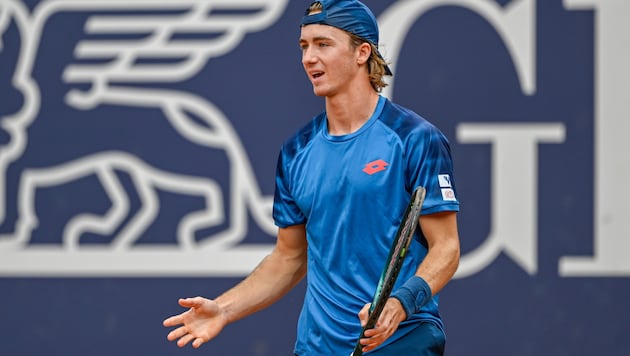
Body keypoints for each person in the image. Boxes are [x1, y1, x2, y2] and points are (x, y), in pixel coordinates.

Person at [162, 0, 461, 354]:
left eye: (323, 44)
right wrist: (224, 309)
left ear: (362, 52)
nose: (308, 58)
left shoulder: (414, 138)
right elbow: (289, 257)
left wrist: (399, 304)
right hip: (317, 347)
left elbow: (447, 247)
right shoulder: (296, 151)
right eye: (304, 46)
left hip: (401, 342)